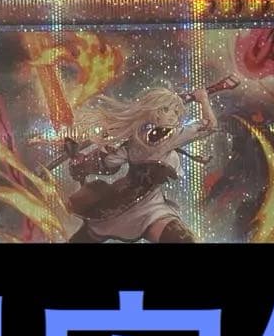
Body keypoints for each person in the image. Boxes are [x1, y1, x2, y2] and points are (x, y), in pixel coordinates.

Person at [67, 86, 217, 243]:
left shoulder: (134, 141)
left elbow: (108, 163)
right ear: (154, 112)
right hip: (134, 207)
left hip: (144, 207)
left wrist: (83, 163)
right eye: (168, 110)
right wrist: (203, 99)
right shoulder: (168, 136)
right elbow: (210, 125)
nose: (175, 116)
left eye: (176, 112)